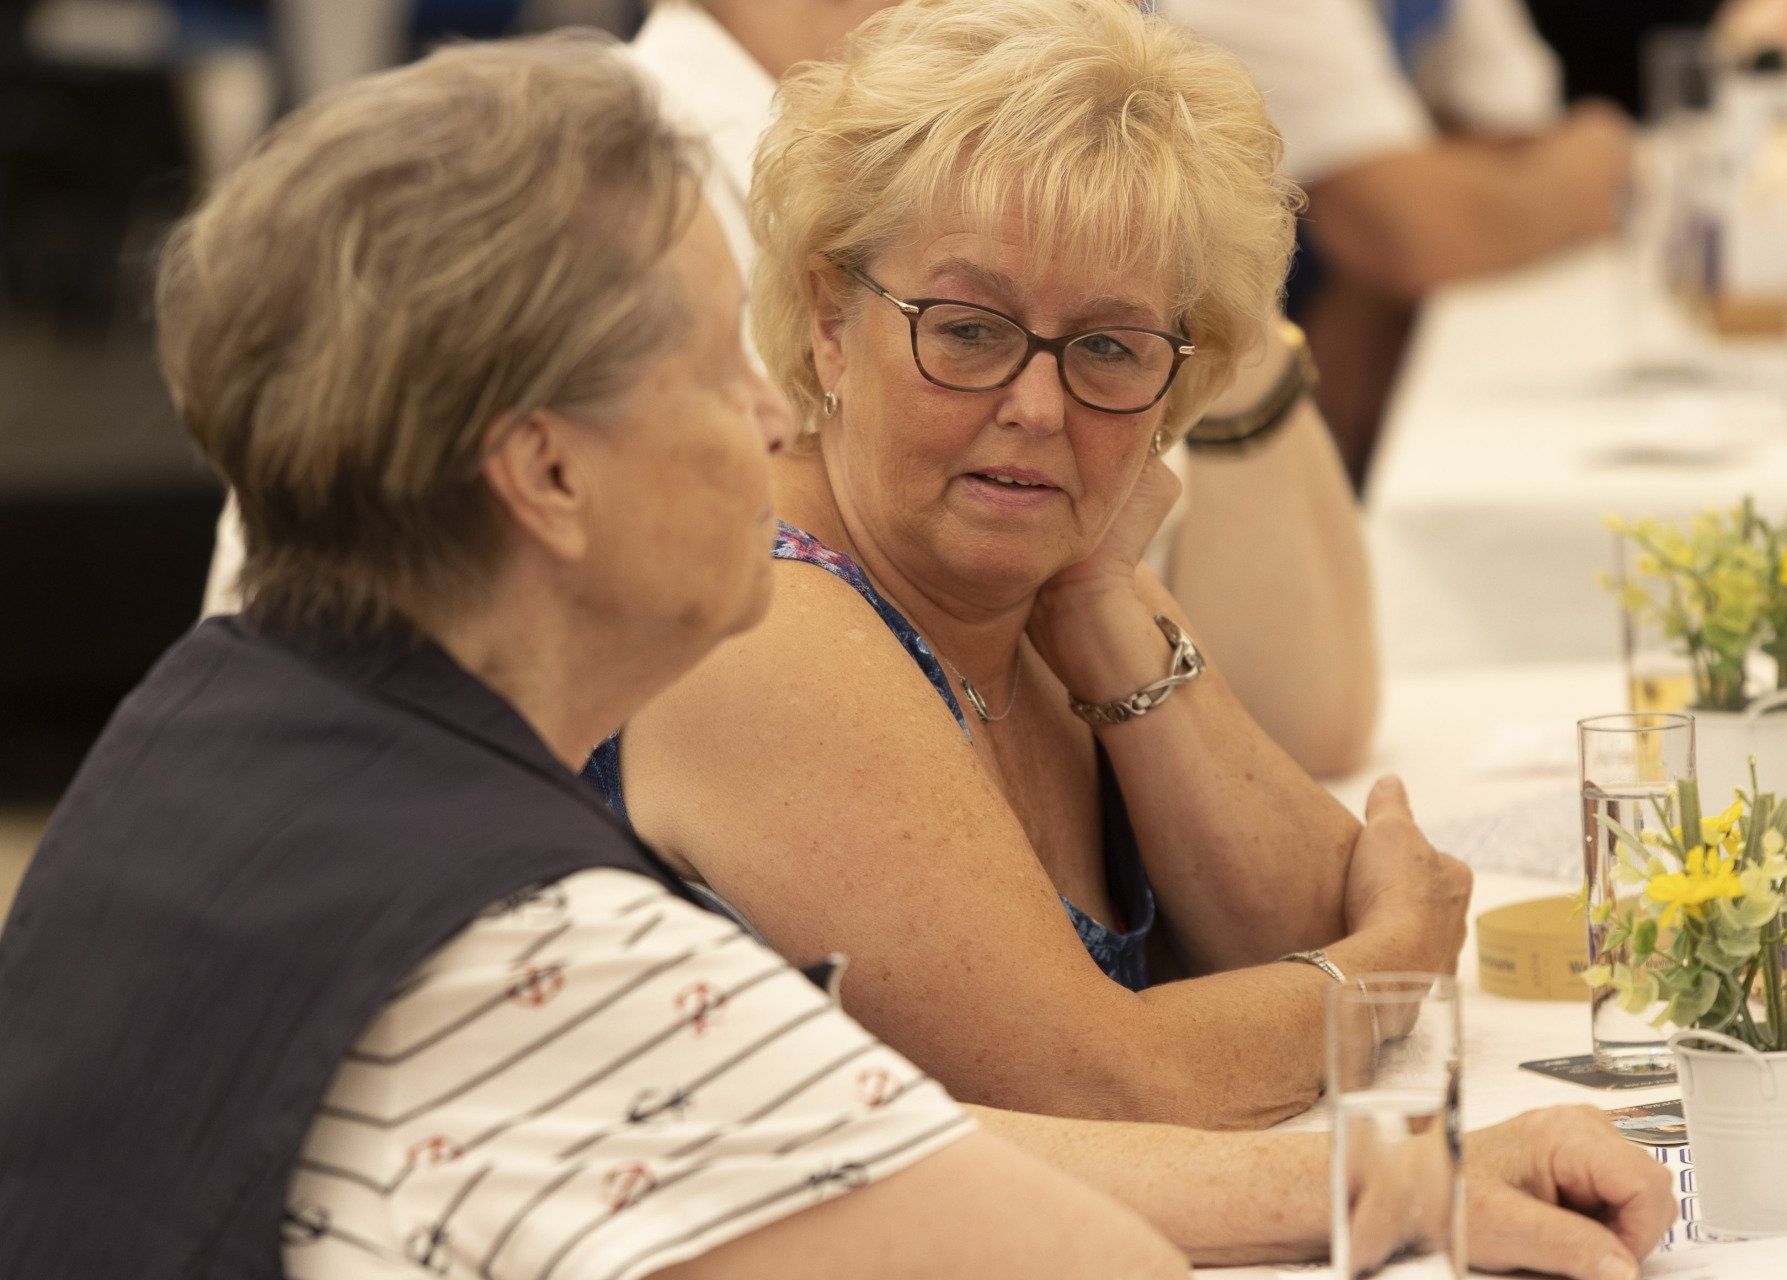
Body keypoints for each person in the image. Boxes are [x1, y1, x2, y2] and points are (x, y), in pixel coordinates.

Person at [0, 29, 1674, 1280]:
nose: (762, 414)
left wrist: (1381, 1141)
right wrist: (1387, 1083)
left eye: (1111, 350)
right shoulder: (523, 928)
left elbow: (828, 1127)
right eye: (703, 367)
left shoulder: (234, 729)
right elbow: (1051, 1221)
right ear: (546, 472)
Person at [599, 0, 1466, 1130]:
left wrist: (1103, 608)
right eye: (968, 329)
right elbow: (1101, 1083)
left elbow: (1300, 920)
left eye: (1109, 347)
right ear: (828, 321)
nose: (1039, 408)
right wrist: (1397, 959)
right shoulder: (761, 615)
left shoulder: (1039, 563)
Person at [202, 0, 1380, 776]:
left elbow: (1311, 716)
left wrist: (1191, 256)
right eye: (968, 330)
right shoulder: (556, 195)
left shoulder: (1060, 172)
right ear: (824, 312)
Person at [1157, 0, 1636, 484]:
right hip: (1193, 431)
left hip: (1314, 396)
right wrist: (1596, 150)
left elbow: (1511, 135)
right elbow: (1425, 238)